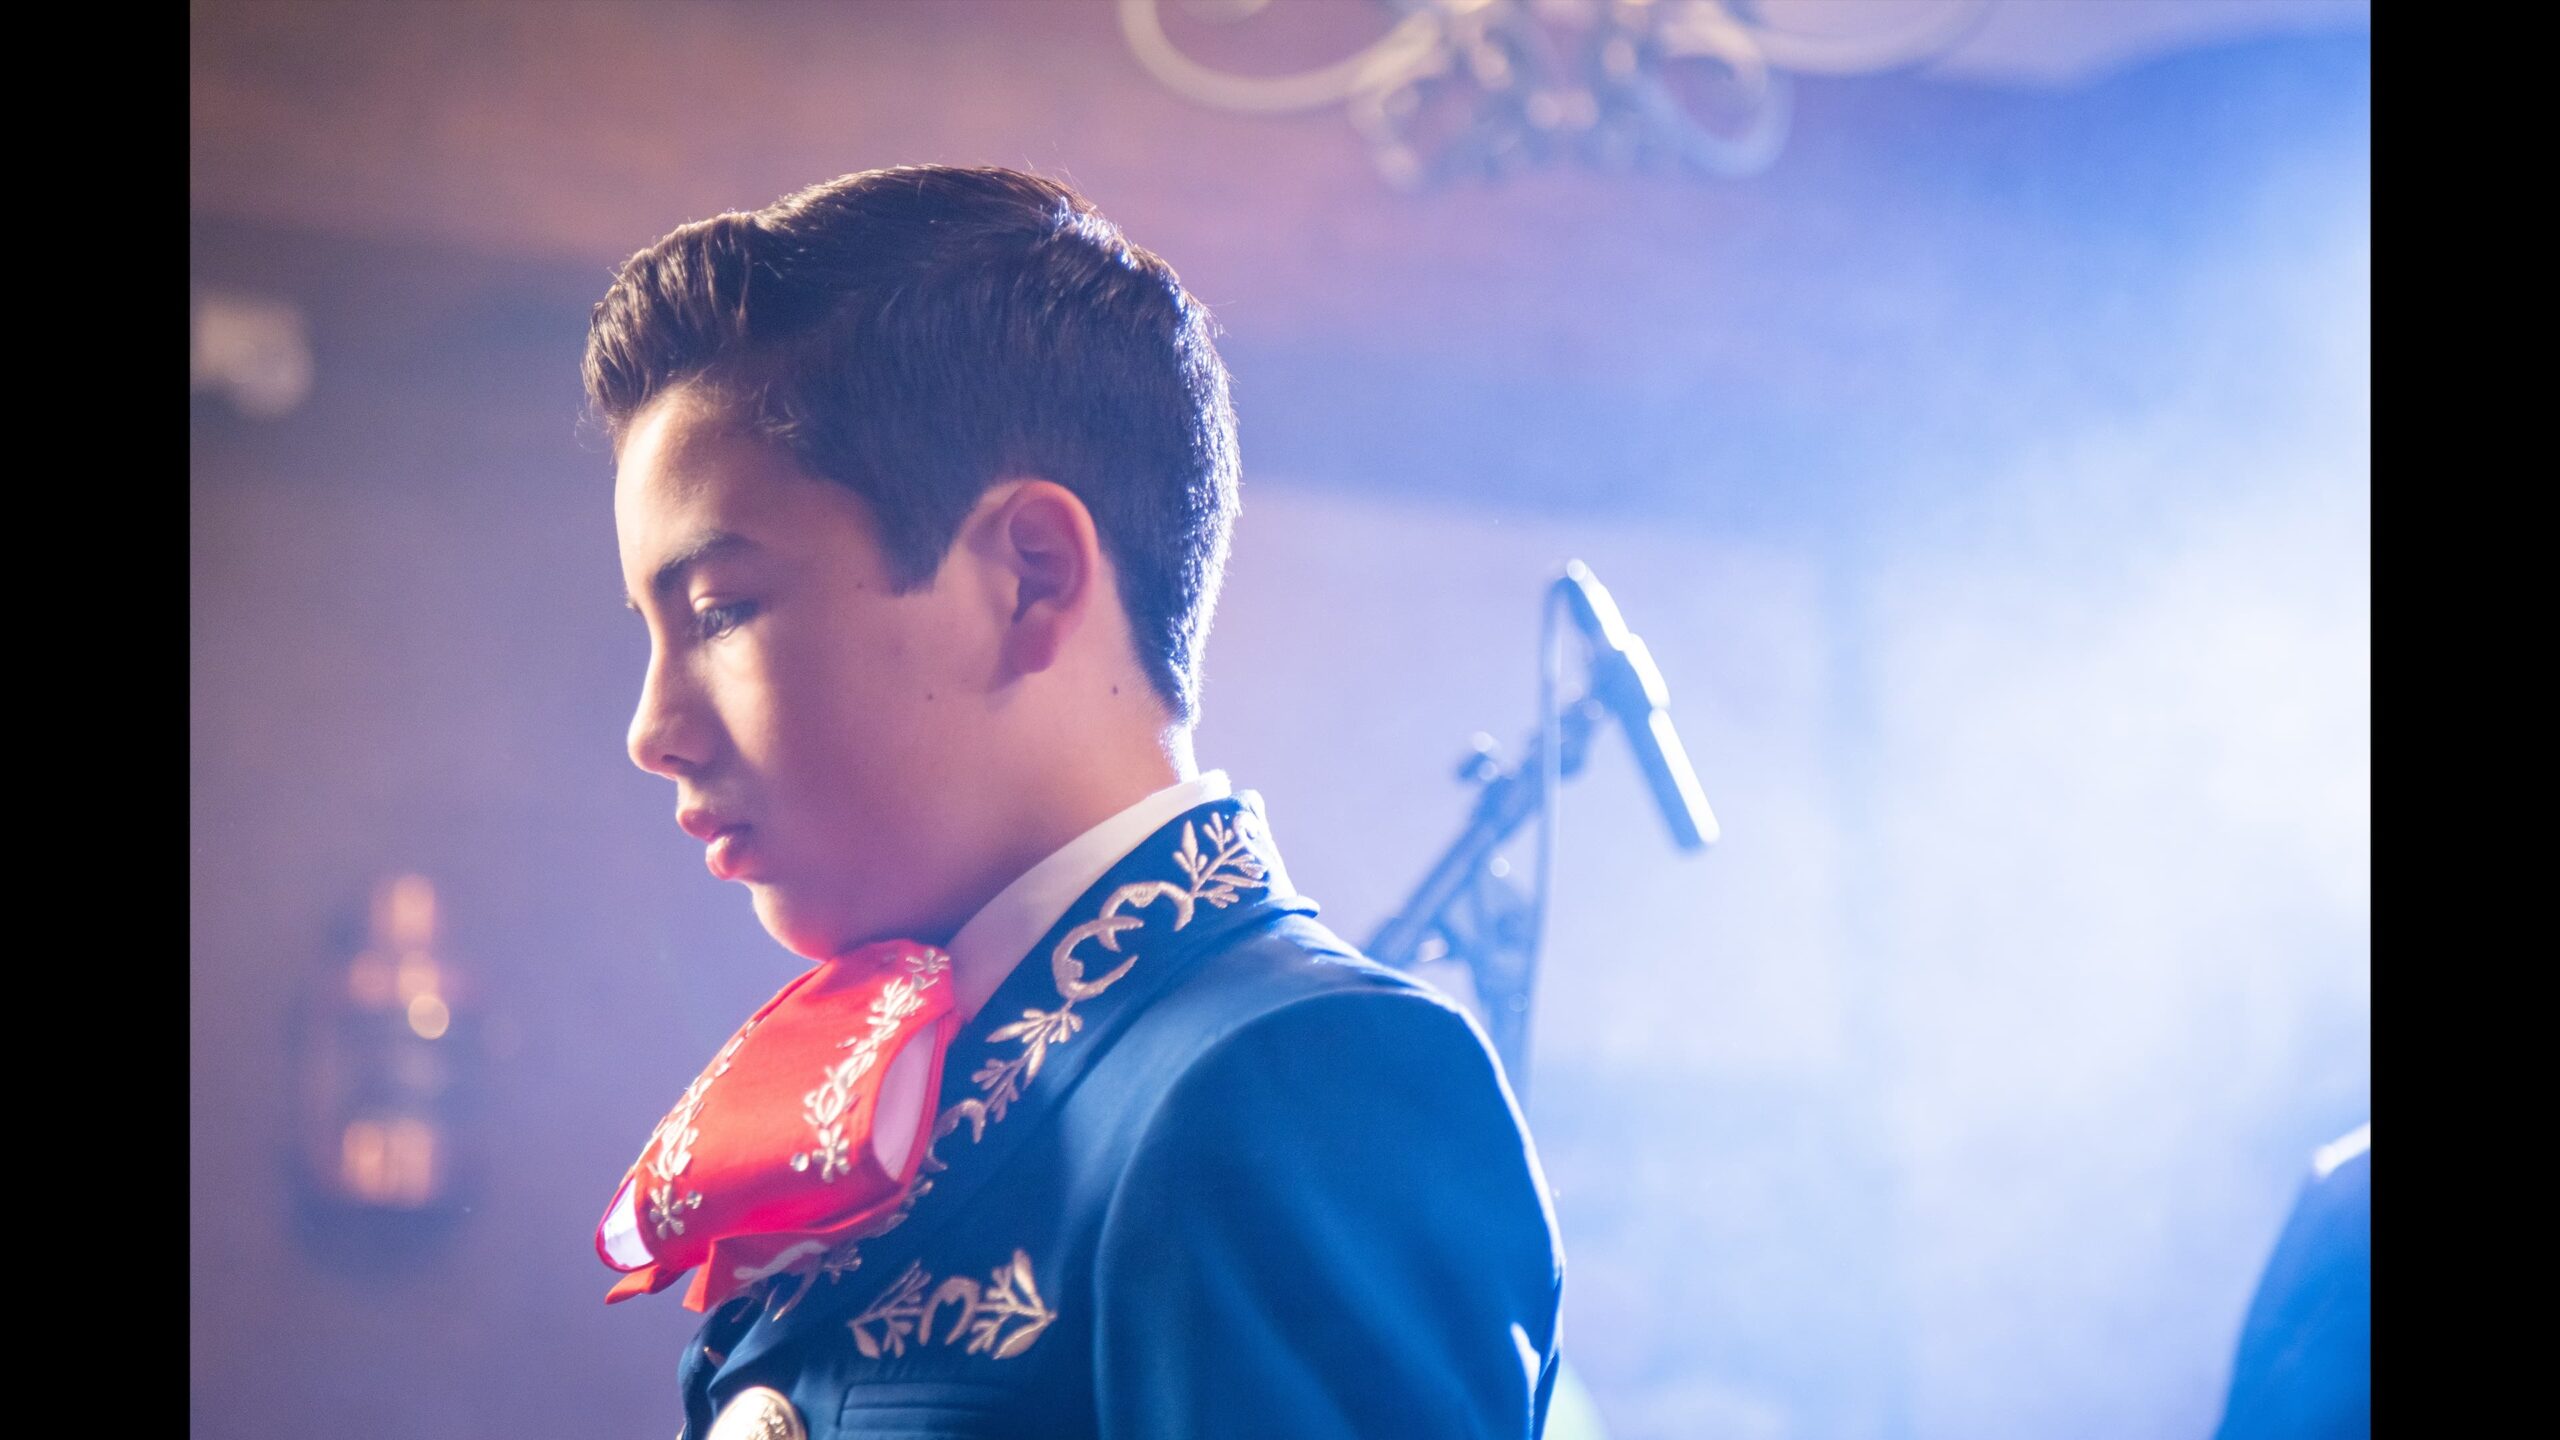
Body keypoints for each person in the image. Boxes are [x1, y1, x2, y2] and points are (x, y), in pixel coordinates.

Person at [586, 165, 1565, 1440]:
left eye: (721, 611)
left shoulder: (1303, 1079)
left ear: (1032, 576)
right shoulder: (895, 1085)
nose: (651, 730)